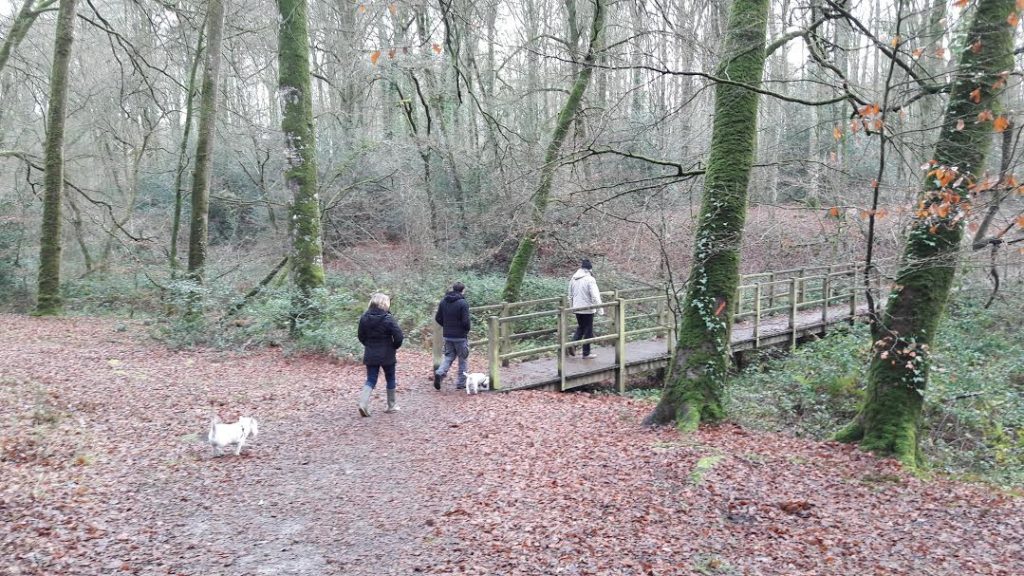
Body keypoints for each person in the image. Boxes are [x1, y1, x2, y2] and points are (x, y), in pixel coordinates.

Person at [357, 292, 404, 416]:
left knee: (371, 379)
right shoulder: (388, 318)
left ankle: (363, 403)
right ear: (384, 303)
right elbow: (399, 336)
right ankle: (391, 405)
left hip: (371, 353)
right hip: (387, 354)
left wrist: (368, 345)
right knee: (390, 378)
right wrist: (394, 346)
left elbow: (360, 336)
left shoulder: (364, 318)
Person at [434, 281, 470, 390]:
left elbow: (438, 318)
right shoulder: (463, 303)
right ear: (463, 290)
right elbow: (465, 321)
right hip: (460, 336)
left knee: (449, 356)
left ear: (453, 289)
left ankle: (440, 372)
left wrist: (446, 326)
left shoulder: (443, 301)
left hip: (448, 335)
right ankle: (461, 383)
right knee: (463, 359)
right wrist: (466, 330)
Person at [567, 259, 603, 359]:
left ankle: (572, 345)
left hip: (577, 307)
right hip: (588, 308)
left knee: (581, 327)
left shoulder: (573, 278)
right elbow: (595, 296)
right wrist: (600, 309)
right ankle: (586, 353)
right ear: (589, 269)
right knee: (588, 330)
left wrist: (572, 307)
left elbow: (569, 295)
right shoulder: (590, 279)